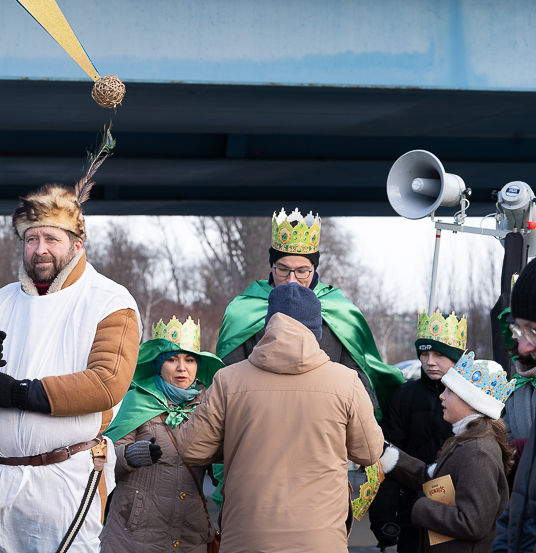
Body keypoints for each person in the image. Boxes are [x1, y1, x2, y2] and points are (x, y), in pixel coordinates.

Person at [0, 182, 141, 552]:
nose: (40, 249)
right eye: (31, 239)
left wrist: (19, 393)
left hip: (64, 476)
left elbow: (107, 383)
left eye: (51, 238)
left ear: (77, 244)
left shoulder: (110, 300)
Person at [175, 283, 384, 552]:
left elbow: (191, 448)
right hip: (321, 539)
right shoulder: (346, 381)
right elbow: (369, 452)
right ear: (316, 330)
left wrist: (236, 441)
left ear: (267, 325)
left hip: (247, 537)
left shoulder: (228, 379)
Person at [217, 208, 404, 413]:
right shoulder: (244, 309)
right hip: (260, 415)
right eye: (282, 269)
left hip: (323, 418)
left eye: (302, 271)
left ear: (314, 269)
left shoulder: (339, 310)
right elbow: (228, 378)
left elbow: (357, 381)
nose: (291, 280)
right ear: (272, 266)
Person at [101, 316, 224, 553]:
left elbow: (222, 469)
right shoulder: (135, 400)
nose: (182, 368)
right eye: (172, 359)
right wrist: (131, 455)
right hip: (135, 536)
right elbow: (104, 462)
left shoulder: (209, 406)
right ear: (159, 365)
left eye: (189, 359)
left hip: (190, 535)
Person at [380, 353, 514, 553]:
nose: (441, 395)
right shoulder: (468, 440)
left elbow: (473, 523)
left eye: (450, 391)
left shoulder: (478, 453)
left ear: (471, 403)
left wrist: (422, 506)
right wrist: (387, 455)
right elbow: (434, 478)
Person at [369, 310, 466, 551]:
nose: (430, 361)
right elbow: (388, 456)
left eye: (439, 354)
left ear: (457, 358)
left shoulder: (472, 398)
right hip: (413, 511)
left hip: (457, 516)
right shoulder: (405, 395)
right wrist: (383, 517)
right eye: (424, 353)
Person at [493, 258, 536, 552]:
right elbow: (518, 513)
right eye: (520, 330)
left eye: (533, 329)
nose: (521, 347)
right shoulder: (517, 389)